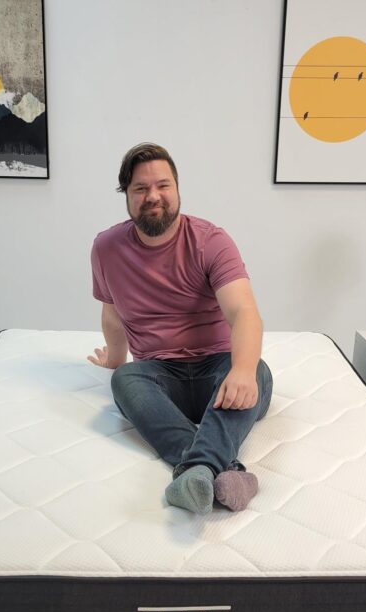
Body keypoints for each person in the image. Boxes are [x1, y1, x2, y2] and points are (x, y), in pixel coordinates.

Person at [87, 142, 273, 515]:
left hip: (218, 366)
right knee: (124, 379)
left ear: (177, 189)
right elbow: (112, 310)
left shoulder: (210, 241)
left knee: (259, 371)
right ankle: (228, 474)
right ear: (127, 195)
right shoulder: (107, 248)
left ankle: (194, 471)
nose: (153, 196)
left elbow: (244, 312)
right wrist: (116, 358)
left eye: (163, 185)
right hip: (160, 374)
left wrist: (241, 370)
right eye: (141, 188)